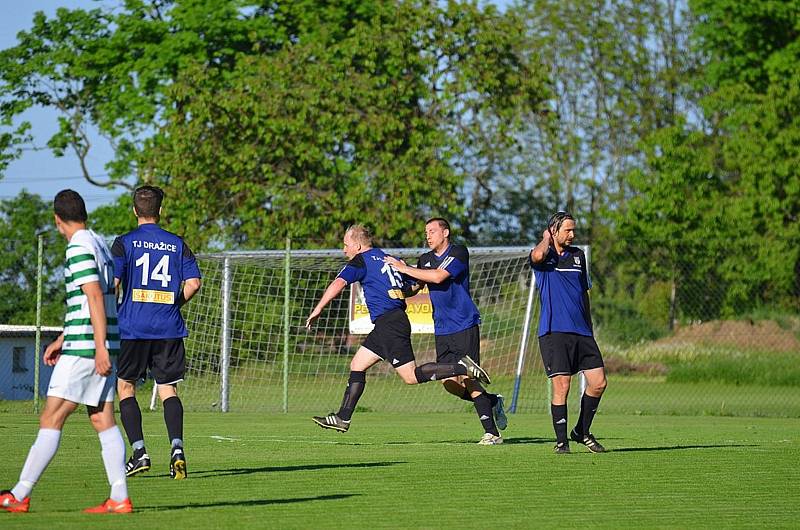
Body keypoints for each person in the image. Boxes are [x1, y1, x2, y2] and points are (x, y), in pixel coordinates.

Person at [1, 190, 132, 514]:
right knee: (102, 418)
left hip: (88, 349)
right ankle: (119, 498)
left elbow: (94, 297)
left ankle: (19, 494)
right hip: (98, 342)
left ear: (58, 220)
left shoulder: (77, 246)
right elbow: (104, 291)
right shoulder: (99, 243)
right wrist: (64, 336)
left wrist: (97, 347)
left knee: (51, 416)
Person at [306, 224, 491, 432]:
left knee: (410, 376)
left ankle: (462, 367)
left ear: (357, 246)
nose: (344, 250)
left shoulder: (362, 260)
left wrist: (319, 308)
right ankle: (343, 417)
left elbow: (339, 283)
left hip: (390, 323)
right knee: (357, 364)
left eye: (346, 245)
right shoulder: (386, 257)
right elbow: (407, 286)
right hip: (389, 322)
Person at [383, 218, 507, 445]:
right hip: (441, 327)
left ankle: (492, 433)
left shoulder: (458, 252)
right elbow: (415, 286)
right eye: (426, 232)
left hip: (464, 324)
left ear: (446, 232)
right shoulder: (425, 259)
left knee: (469, 379)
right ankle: (492, 402)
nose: (428, 235)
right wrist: (398, 289)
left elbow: (439, 276)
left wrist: (404, 267)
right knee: (449, 382)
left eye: (432, 231)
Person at [111, 185, 202, 479]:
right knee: (168, 390)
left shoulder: (124, 243)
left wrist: (112, 314)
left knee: (125, 388)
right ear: (160, 211)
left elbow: (113, 283)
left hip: (132, 328)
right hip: (168, 328)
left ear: (135, 210)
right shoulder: (177, 244)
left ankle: (139, 452)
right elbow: (194, 284)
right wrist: (172, 304)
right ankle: (177, 449)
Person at [529, 211, 607, 453]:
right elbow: (538, 254)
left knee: (598, 382)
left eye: (574, 230)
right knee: (562, 385)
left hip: (582, 332)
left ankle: (581, 431)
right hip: (554, 332)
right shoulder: (544, 257)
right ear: (554, 231)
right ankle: (561, 442)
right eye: (567, 230)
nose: (573, 234)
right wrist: (545, 238)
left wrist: (590, 328)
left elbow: (584, 294)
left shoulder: (579, 256)